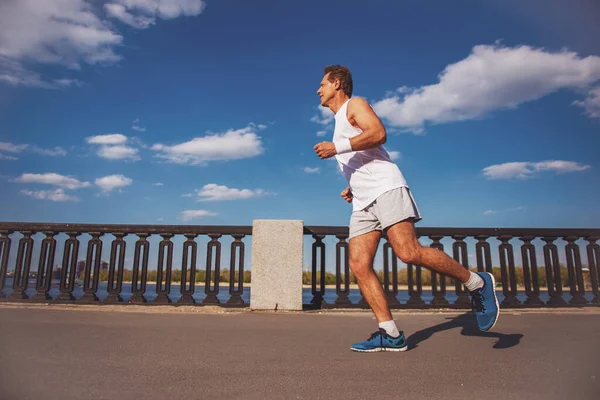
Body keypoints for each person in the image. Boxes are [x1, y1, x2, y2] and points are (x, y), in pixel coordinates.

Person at [313, 65, 499, 353]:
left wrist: (337, 148)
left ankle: (477, 282)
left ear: (337, 84)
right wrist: (353, 185)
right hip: (364, 200)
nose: (318, 89)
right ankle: (390, 333)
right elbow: (366, 155)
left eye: (323, 84)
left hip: (387, 189)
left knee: (408, 252)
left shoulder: (355, 104)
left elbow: (378, 133)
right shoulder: (338, 121)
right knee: (359, 265)